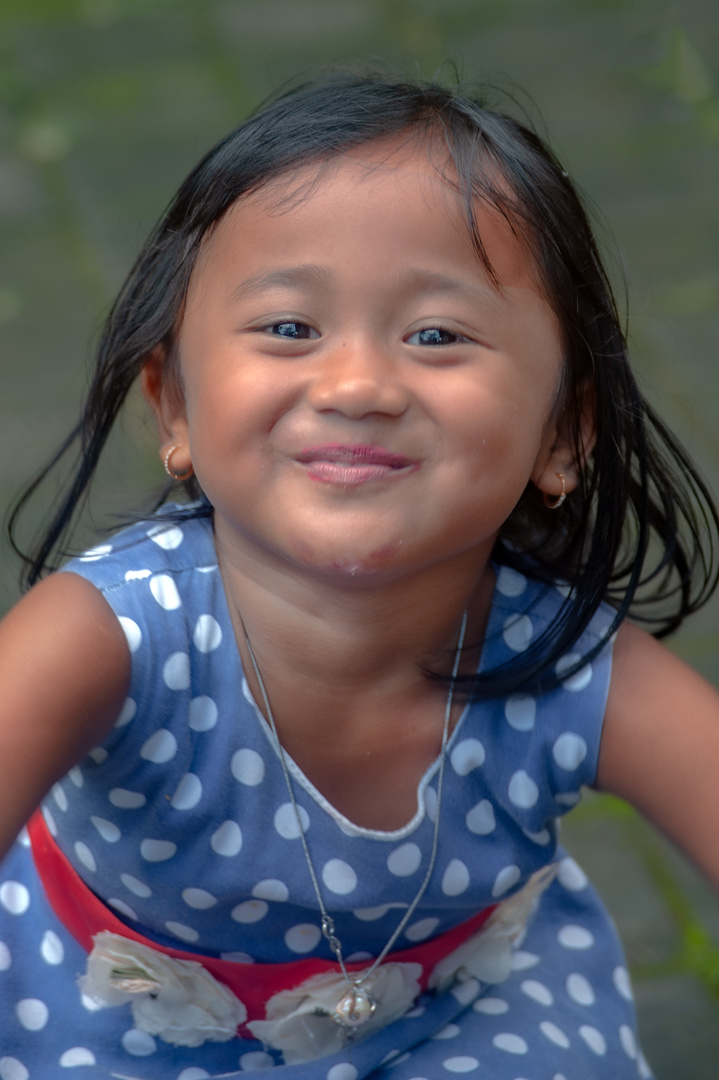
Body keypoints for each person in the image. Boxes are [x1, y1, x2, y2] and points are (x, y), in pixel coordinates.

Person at [1, 69, 718, 1080]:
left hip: (458, 1023)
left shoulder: (568, 665)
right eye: (290, 328)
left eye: (435, 335)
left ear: (561, 432)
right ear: (174, 410)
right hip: (98, 1029)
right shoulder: (105, 634)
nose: (356, 386)